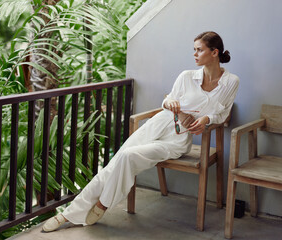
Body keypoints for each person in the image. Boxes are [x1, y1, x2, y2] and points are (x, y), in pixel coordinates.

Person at [42, 31, 240, 232]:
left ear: (214, 52)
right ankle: (69, 214)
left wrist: (206, 119)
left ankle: (101, 204)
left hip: (178, 139)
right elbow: (167, 100)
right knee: (117, 160)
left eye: (199, 50)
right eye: (194, 50)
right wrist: (170, 103)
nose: (195, 54)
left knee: (127, 156)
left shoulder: (231, 82)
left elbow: (222, 113)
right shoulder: (187, 76)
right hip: (160, 123)